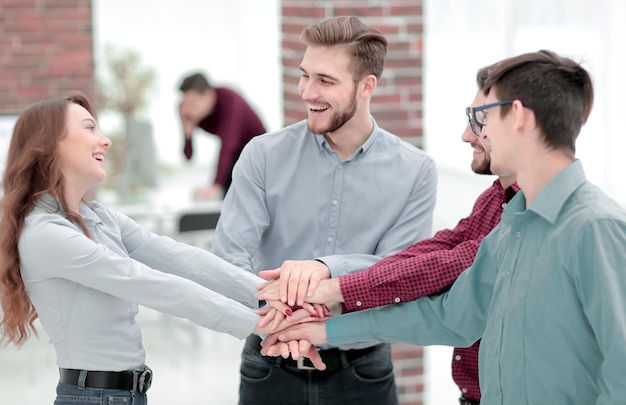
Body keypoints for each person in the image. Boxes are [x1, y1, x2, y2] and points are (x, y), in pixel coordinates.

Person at [262, 49, 626, 404]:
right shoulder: (512, 227)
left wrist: (331, 291)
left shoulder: (597, 229)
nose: (474, 134)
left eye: (481, 117)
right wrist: (320, 329)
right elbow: (450, 318)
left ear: (517, 116)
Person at [0, 92, 307, 405]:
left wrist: (270, 294)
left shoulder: (98, 216)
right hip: (93, 398)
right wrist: (262, 323)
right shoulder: (45, 233)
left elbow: (177, 258)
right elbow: (148, 283)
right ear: (50, 143)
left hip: (122, 395)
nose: (105, 140)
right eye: (90, 128)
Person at [256, 66, 520, 405]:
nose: (467, 135)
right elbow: (437, 250)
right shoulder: (497, 196)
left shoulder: (556, 223)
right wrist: (326, 301)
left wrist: (331, 291)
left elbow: (451, 287)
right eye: (305, 76)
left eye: (479, 120)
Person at [212, 16, 438, 405]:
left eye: (326, 81)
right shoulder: (262, 156)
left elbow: (399, 272)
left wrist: (326, 268)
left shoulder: (415, 171)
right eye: (305, 75)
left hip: (362, 374)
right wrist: (280, 317)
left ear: (367, 86)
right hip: (269, 367)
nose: (308, 92)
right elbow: (229, 257)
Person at [178, 72, 266, 200]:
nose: (188, 109)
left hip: (256, 152)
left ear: (209, 97)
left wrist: (215, 186)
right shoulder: (186, 110)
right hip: (233, 154)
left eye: (193, 103)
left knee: (234, 194)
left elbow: (228, 146)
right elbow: (188, 156)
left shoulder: (230, 102)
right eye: (186, 103)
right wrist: (187, 134)